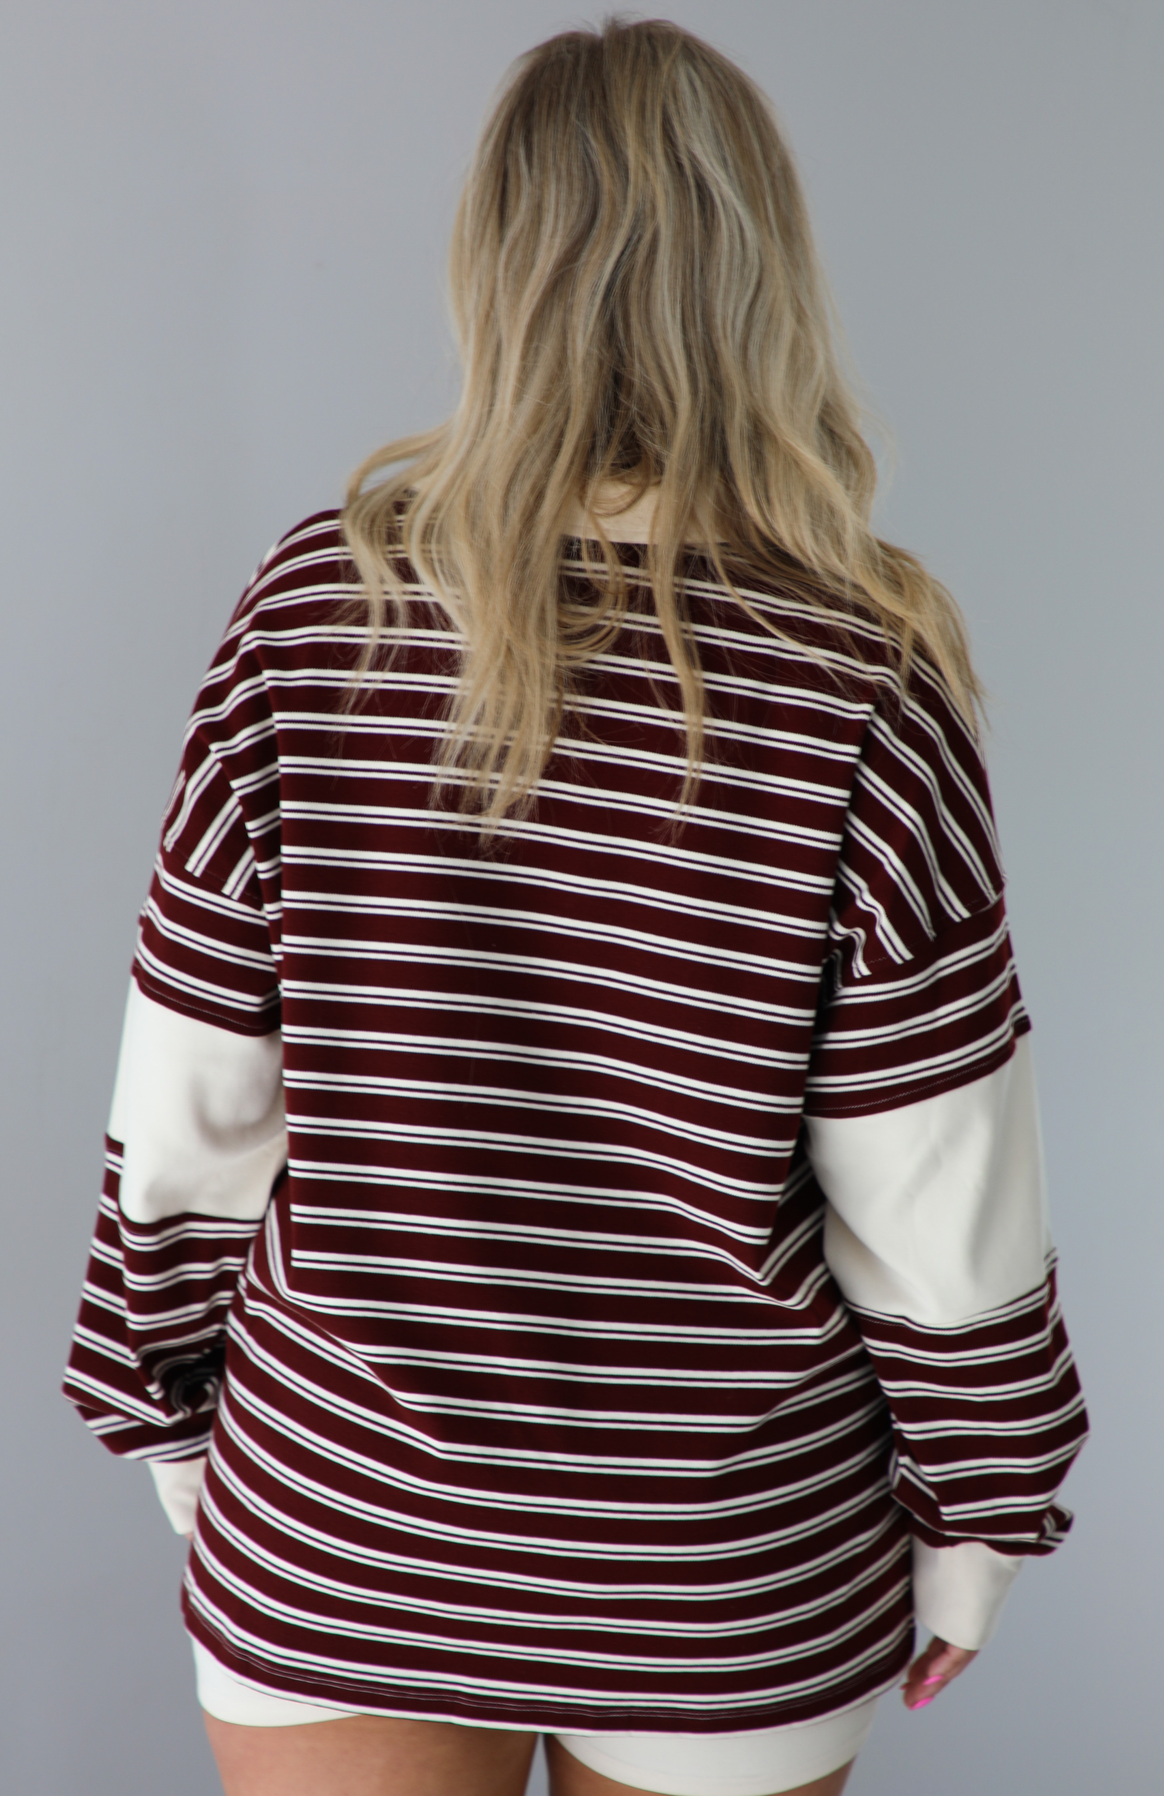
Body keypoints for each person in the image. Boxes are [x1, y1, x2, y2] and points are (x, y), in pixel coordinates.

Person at [63, 18, 1088, 1796]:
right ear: (760, 275)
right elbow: (938, 1195)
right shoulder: (862, 675)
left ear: (494, 270)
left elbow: (189, 1115)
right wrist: (981, 1522)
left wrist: (174, 1426)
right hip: (721, 1559)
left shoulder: (315, 617)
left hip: (345, 1513)